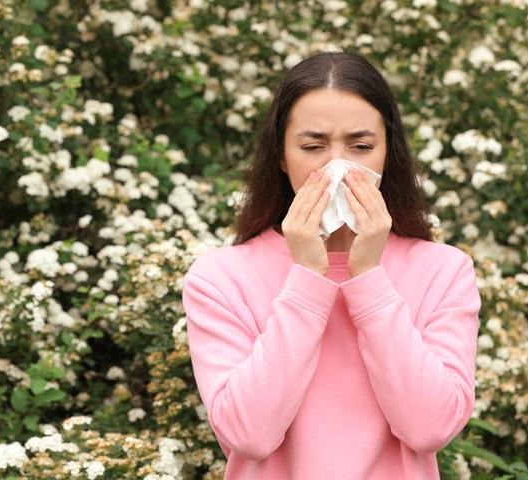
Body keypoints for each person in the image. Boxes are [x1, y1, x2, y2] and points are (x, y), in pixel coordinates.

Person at [181, 51, 482, 479]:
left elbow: (429, 428)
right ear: (281, 156)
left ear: (387, 154)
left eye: (361, 147)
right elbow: (249, 435)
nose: (336, 167)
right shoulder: (221, 278)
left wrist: (369, 280)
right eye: (312, 146)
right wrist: (305, 280)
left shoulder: (443, 271)